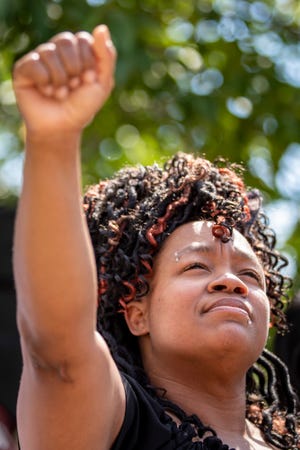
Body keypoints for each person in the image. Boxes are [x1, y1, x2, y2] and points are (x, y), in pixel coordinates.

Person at [12, 24, 300, 450]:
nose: (231, 281)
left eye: (250, 276)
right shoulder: (112, 425)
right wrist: (53, 138)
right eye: (196, 266)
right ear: (136, 314)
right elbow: (56, 349)